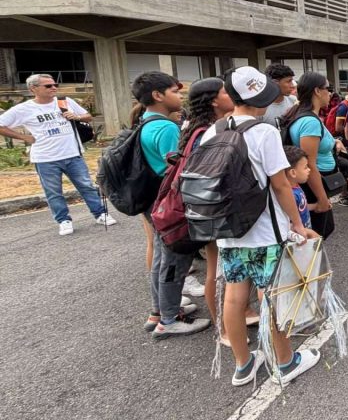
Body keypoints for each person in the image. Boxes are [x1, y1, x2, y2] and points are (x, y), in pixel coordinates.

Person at [199, 66, 321, 387]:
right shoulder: (264, 132)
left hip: (229, 231)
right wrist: (297, 223)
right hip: (265, 232)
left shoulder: (212, 131)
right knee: (272, 296)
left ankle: (243, 365)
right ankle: (285, 361)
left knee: (234, 298)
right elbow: (280, 185)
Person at [131, 71, 211, 339]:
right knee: (175, 259)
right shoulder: (165, 128)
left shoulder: (145, 122)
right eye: (175, 92)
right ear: (158, 95)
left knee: (161, 257)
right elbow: (177, 169)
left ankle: (159, 311)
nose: (180, 96)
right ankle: (169, 319)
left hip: (152, 200)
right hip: (168, 203)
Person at [0, 74, 117, 235]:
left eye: (55, 84)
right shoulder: (24, 109)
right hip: (45, 158)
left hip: (73, 154)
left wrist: (76, 116)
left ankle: (100, 213)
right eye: (48, 86)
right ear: (33, 88)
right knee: (53, 192)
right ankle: (63, 220)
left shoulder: (65, 101)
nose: (54, 88)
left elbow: (88, 117)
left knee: (87, 186)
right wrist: (24, 137)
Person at [178, 77, 244, 345]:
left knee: (224, 269)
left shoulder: (204, 127)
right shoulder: (208, 132)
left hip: (212, 207)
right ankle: (223, 327)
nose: (231, 95)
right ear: (214, 100)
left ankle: (232, 320)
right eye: (225, 92)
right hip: (213, 209)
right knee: (217, 271)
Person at [284, 72, 341, 239]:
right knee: (316, 234)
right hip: (312, 185)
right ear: (317, 91)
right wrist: (322, 199)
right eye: (328, 88)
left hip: (311, 183)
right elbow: (309, 163)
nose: (330, 93)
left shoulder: (303, 114)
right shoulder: (310, 122)